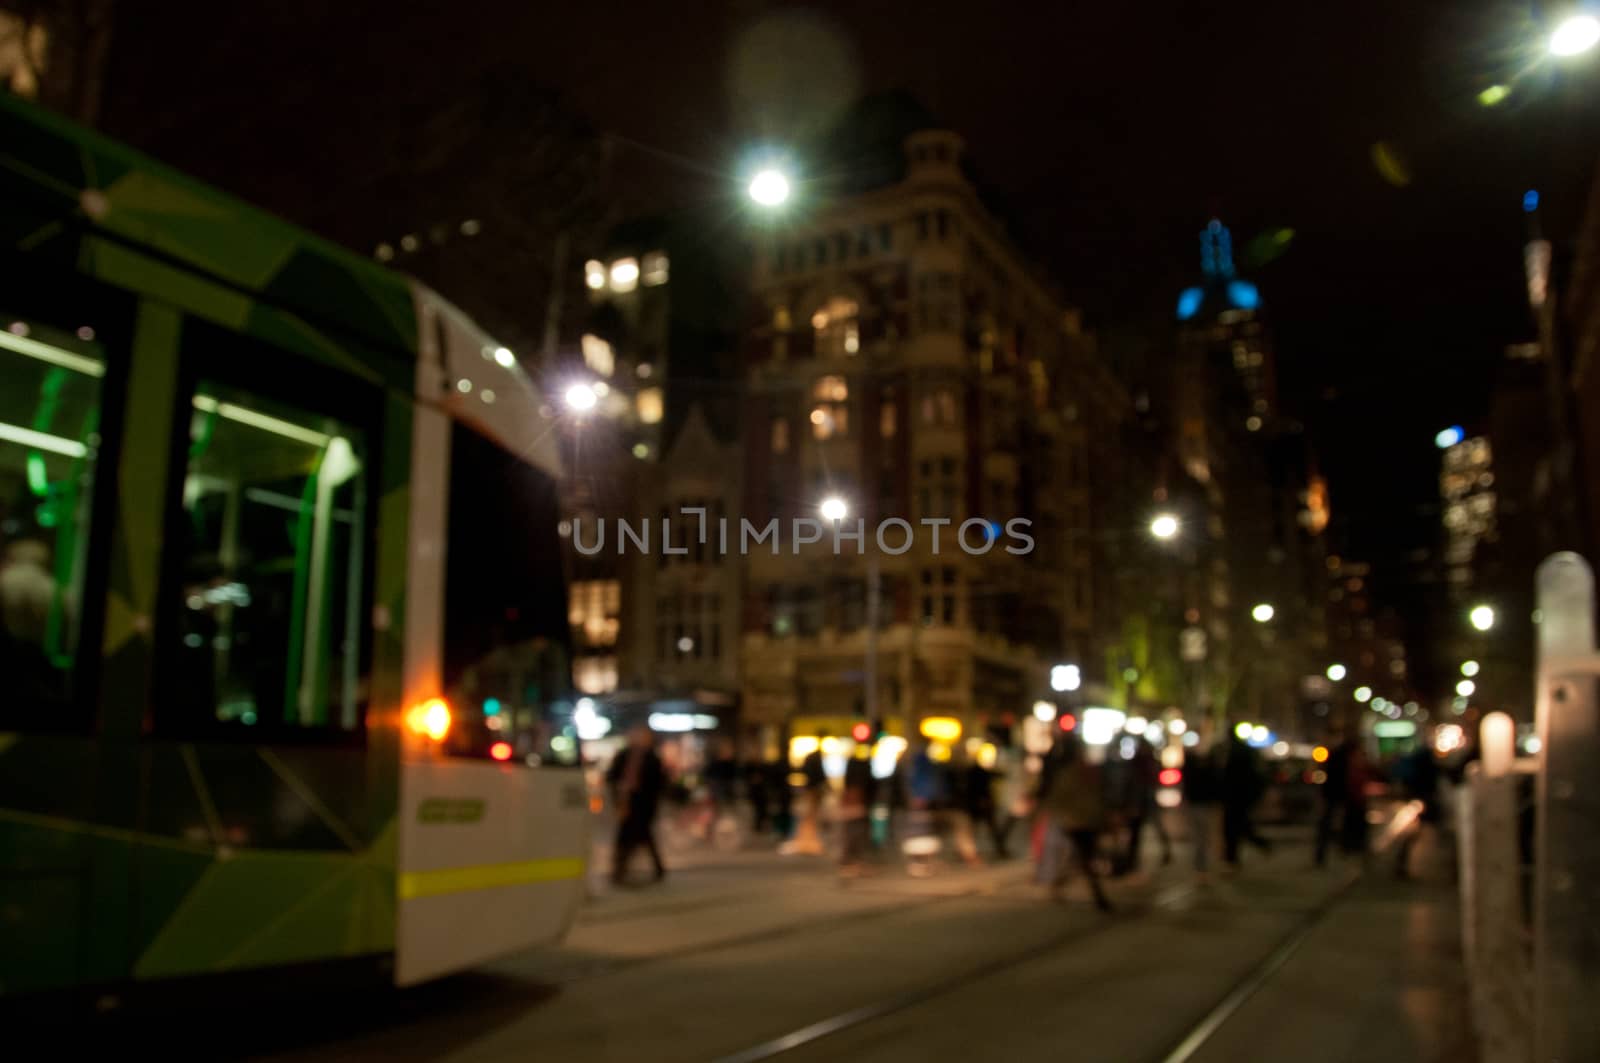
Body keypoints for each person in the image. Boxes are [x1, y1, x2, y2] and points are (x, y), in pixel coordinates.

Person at [1039, 734, 1113, 911]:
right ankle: (1097, 895)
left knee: (1080, 858)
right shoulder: (1069, 776)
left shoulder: (1088, 774)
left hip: (1087, 821)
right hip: (1077, 823)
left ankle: (1059, 883)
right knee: (1085, 858)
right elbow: (1059, 799)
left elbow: (1098, 797)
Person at [607, 725, 667, 885]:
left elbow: (658, 783)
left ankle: (622, 870)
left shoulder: (652, 758)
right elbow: (612, 775)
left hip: (643, 804)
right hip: (626, 801)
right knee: (627, 837)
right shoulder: (623, 755)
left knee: (641, 836)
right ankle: (619, 870)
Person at [1392, 729, 1441, 879]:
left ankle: (1401, 863)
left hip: (1418, 798)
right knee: (1415, 832)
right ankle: (1400, 864)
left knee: (1416, 833)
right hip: (1421, 799)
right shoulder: (1426, 762)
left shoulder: (1418, 760)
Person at [1222, 727, 1273, 868]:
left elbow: (1230, 777)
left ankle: (1231, 858)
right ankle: (1232, 857)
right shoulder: (1245, 751)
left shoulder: (1235, 753)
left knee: (1235, 827)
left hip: (1236, 796)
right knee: (1239, 826)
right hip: (1241, 796)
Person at [1119, 738, 1172, 874]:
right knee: (1137, 832)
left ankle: (1133, 859)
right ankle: (1132, 859)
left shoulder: (1143, 763)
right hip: (1139, 801)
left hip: (1143, 800)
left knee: (1148, 828)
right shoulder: (1141, 763)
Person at [1181, 736, 1222, 877]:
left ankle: (1201, 863)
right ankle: (1201, 863)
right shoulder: (1202, 769)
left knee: (1202, 835)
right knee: (1202, 835)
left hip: (1200, 804)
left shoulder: (1200, 769)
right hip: (1199, 804)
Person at [1314, 733, 1353, 868]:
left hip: (1334, 794)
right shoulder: (1341, 757)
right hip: (1337, 795)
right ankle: (1341, 850)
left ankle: (1328, 853)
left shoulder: (1336, 756)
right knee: (1331, 824)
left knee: (1328, 824)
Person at [838, 742, 877, 875]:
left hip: (858, 804)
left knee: (854, 831)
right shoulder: (861, 769)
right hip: (858, 804)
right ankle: (851, 861)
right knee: (855, 832)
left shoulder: (854, 766)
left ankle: (852, 860)